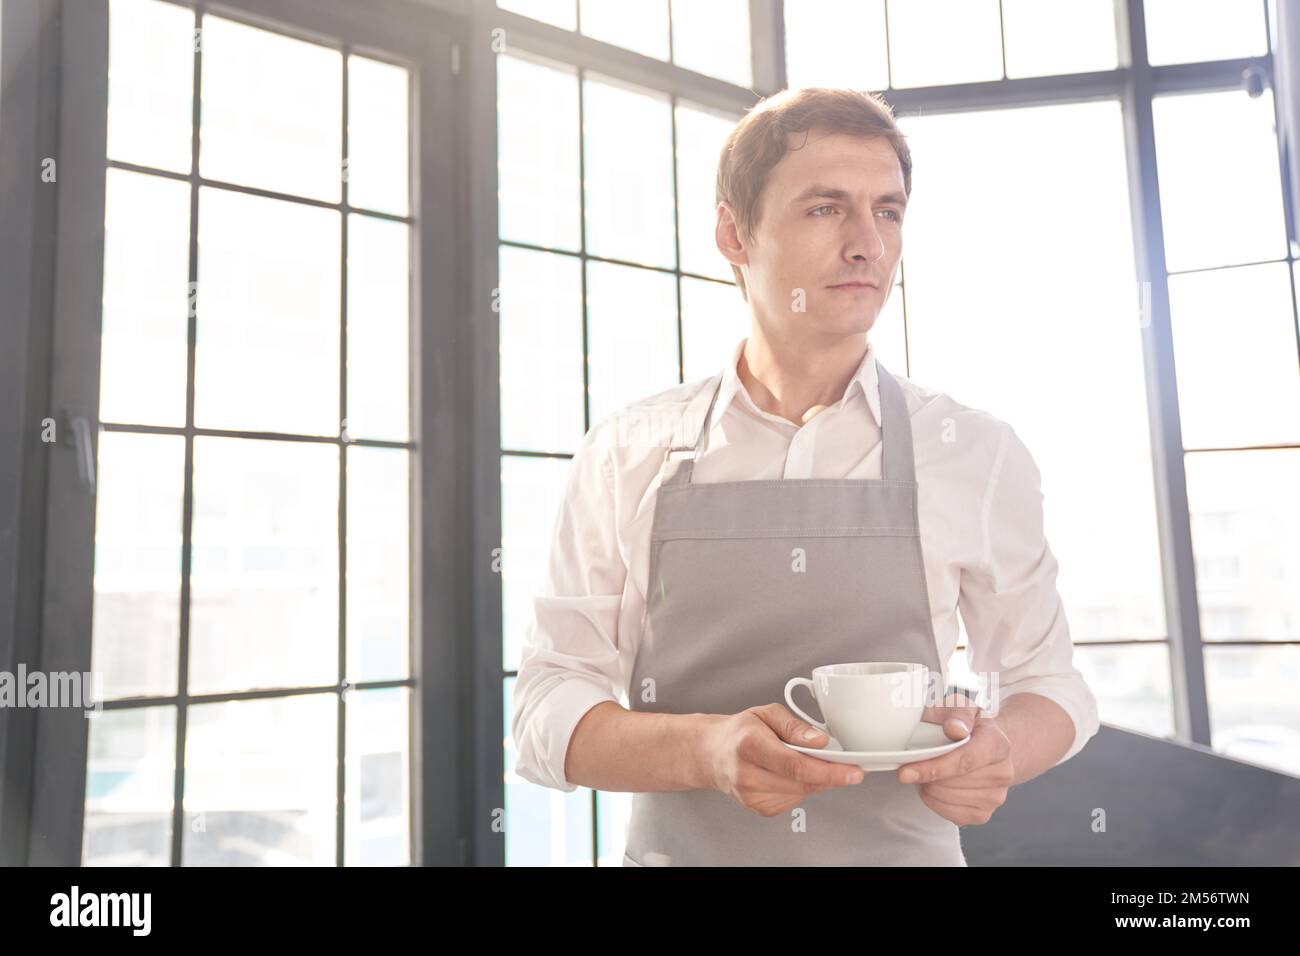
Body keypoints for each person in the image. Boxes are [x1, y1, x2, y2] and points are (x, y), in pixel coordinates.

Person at [510, 87, 1100, 866]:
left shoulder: (973, 452)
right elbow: (547, 708)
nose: (868, 245)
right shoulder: (628, 451)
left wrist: (1002, 753)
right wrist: (705, 751)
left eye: (887, 211)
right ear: (733, 232)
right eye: (826, 209)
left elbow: (1052, 687)